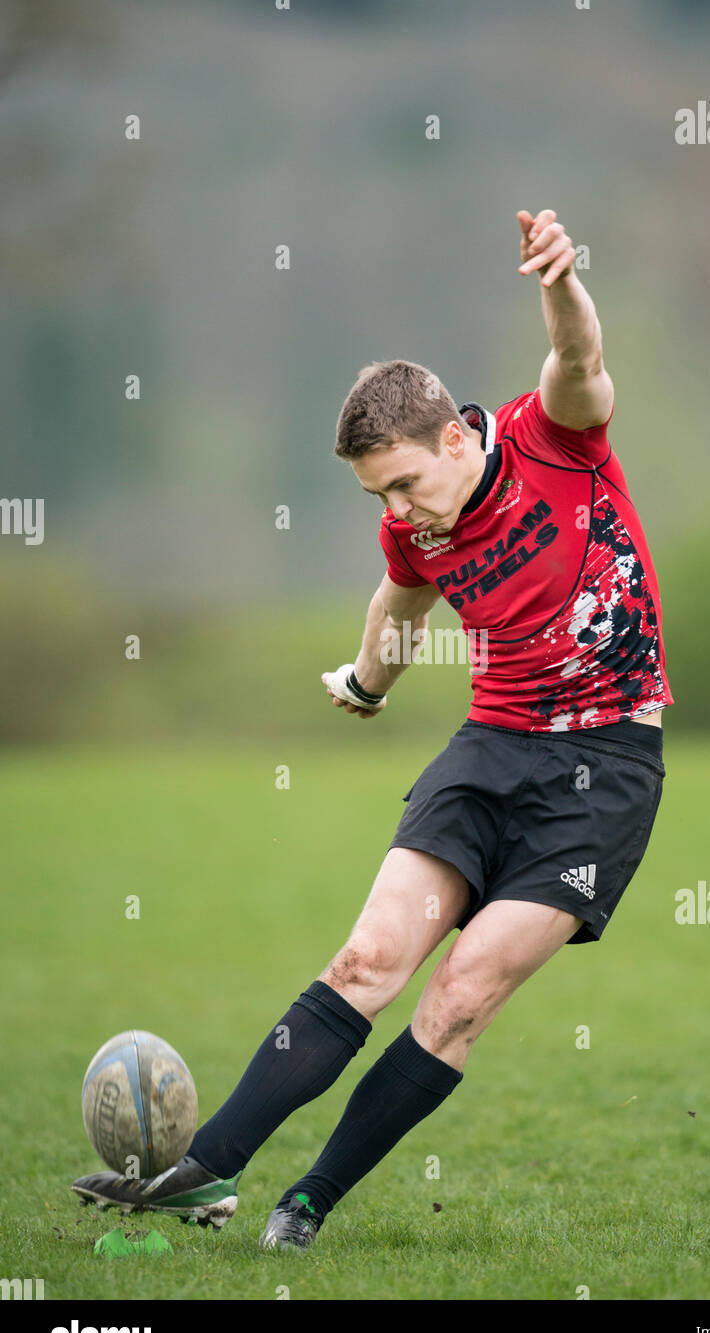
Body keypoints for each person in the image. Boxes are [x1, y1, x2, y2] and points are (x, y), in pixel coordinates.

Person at [72, 208, 673, 1251]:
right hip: (492, 746)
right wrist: (365, 680)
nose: (401, 509)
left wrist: (559, 278)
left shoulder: (557, 437)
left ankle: (308, 1201)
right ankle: (199, 1170)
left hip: (607, 770)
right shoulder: (412, 527)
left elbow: (580, 350)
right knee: (366, 959)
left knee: (459, 998)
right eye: (378, 494)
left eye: (405, 481)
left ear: (456, 436)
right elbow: (399, 610)